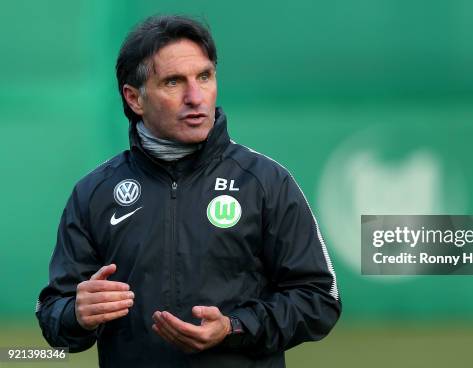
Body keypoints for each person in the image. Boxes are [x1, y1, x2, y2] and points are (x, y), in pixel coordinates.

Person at [35, 14, 341, 367]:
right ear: (135, 98)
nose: (195, 97)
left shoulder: (265, 182)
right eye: (173, 82)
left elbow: (319, 298)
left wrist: (234, 327)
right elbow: (52, 312)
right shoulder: (95, 193)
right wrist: (76, 313)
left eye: (204, 77)